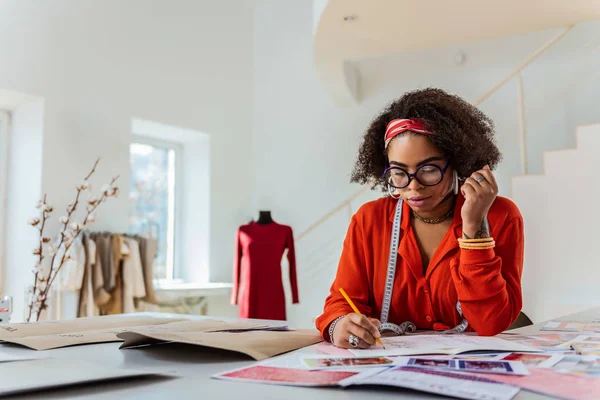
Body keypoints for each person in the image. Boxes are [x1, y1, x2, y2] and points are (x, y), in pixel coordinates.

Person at [315, 88, 524, 349]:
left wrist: (474, 229)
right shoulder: (369, 220)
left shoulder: (499, 216)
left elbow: (490, 322)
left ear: (457, 163)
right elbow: (340, 302)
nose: (413, 187)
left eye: (428, 170)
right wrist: (340, 324)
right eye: (399, 172)